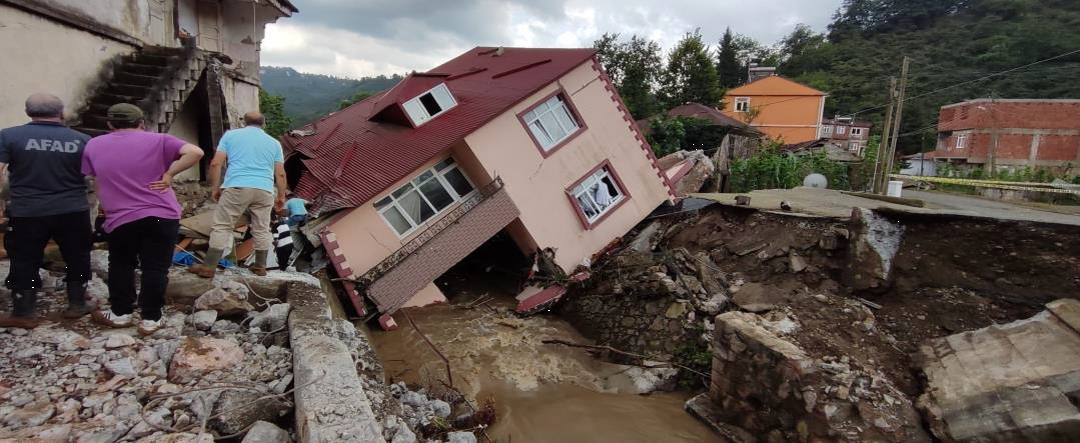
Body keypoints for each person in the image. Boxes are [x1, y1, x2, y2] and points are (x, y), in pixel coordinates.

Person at [83, 103, 203, 335]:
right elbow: (196, 152)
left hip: (120, 216)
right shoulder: (160, 140)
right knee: (156, 267)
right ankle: (151, 318)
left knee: (120, 263)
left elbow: (97, 180)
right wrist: (169, 174)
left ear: (109, 124)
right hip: (162, 213)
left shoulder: (94, 145)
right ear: (141, 123)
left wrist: (104, 208)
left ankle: (121, 313)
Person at [0, 93, 94, 327]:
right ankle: (77, 304)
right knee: (78, 255)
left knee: (24, 257)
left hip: (27, 210)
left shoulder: (9, 136)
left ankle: (23, 312)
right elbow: (94, 175)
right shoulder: (82, 139)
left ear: (28, 112)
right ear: (61, 112)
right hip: (73, 209)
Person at [189, 112, 286, 278]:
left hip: (237, 186)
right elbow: (281, 174)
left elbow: (216, 163)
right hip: (264, 190)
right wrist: (281, 196)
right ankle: (260, 266)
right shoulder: (274, 143)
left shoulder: (230, 136)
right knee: (262, 228)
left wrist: (215, 188)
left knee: (222, 226)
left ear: (244, 122)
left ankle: (209, 267)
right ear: (264, 123)